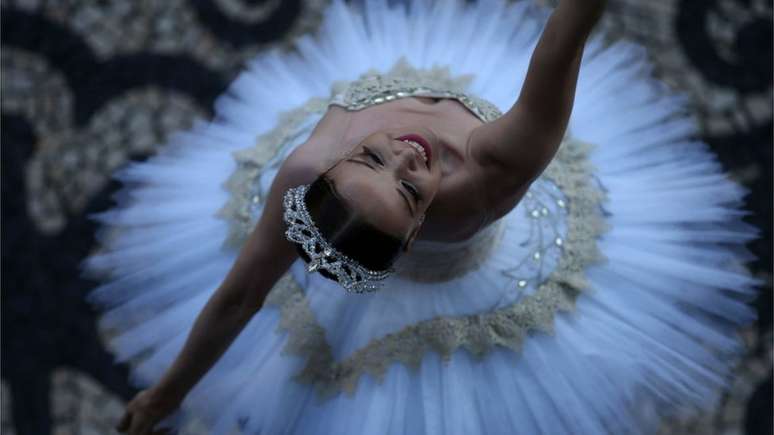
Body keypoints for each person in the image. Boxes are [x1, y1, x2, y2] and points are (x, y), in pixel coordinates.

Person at [83, 0, 761, 434]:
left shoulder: (304, 165)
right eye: (410, 192)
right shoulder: (493, 170)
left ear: (329, 166)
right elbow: (561, 44)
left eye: (371, 161)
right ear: (412, 237)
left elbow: (241, 292)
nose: (408, 160)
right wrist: (170, 396)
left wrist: (163, 393)